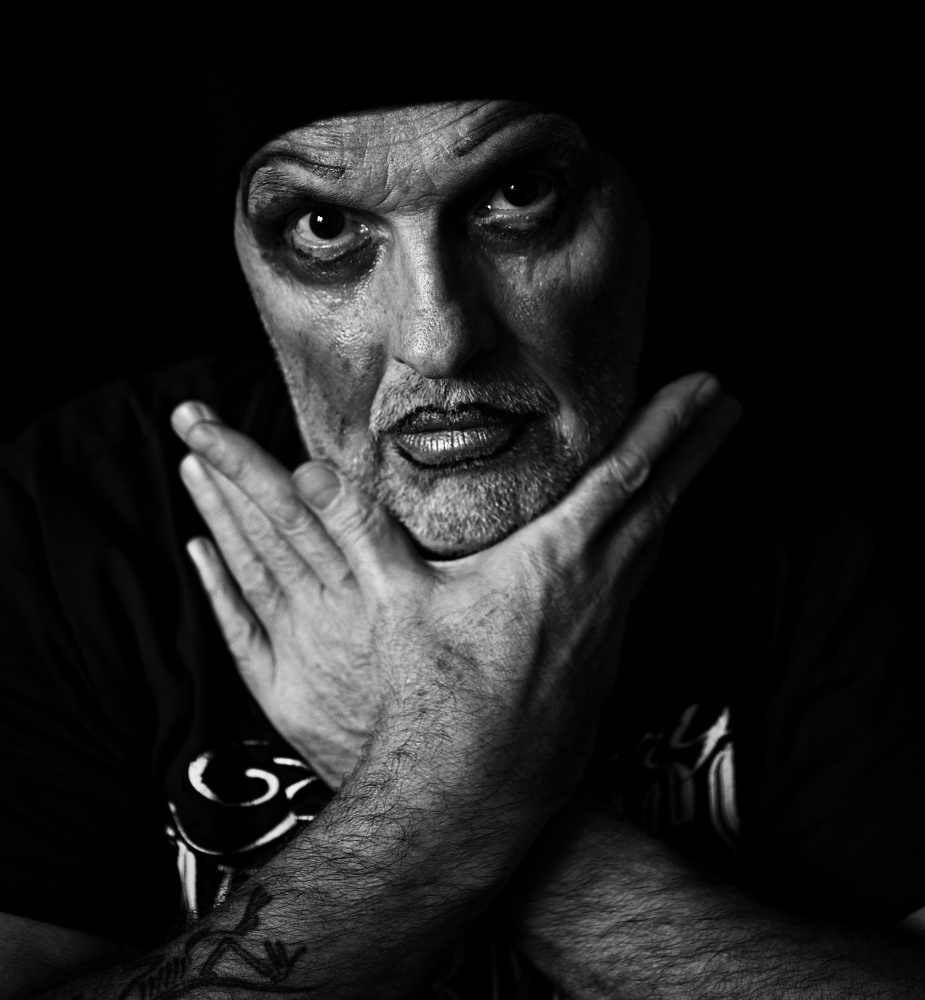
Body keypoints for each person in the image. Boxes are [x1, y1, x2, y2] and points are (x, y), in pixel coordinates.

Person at [1, 6, 922, 998]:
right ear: (244, 258)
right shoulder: (71, 527)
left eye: (516, 196)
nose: (437, 340)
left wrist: (439, 769)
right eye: (325, 227)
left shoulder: (838, 498)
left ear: (638, 206)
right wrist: (442, 792)